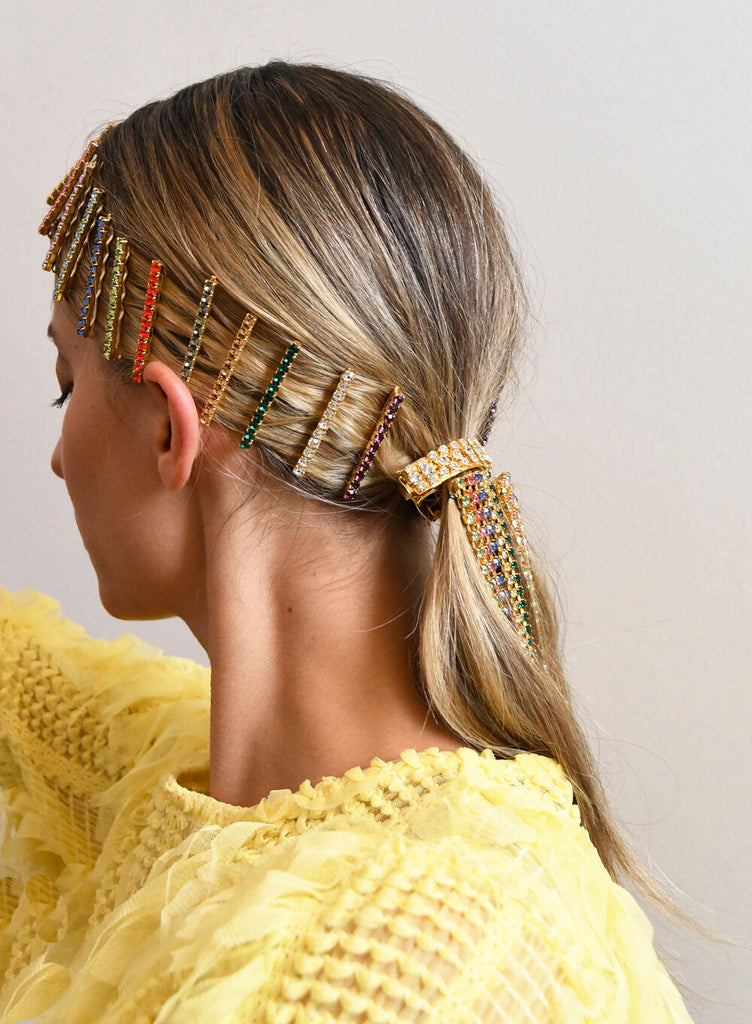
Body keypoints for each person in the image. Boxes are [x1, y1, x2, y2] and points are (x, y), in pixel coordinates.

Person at [0, 62, 696, 1022]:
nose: (56, 458)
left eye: (66, 385)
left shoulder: (408, 966)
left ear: (168, 429)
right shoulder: (165, 772)